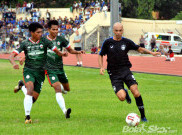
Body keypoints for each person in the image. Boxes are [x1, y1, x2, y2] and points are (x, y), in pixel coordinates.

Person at [13, 20, 85, 120]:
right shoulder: (42, 40)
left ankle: (22, 87)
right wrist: (22, 58)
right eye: (53, 29)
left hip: (59, 68)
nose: (56, 31)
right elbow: (33, 51)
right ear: (49, 29)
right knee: (54, 88)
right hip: (48, 69)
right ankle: (64, 111)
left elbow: (60, 50)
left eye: (57, 29)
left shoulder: (59, 39)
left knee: (65, 89)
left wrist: (72, 53)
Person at [98, 22, 161, 122]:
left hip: (125, 70)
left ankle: (143, 116)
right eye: (116, 31)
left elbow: (139, 49)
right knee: (122, 97)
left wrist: (151, 52)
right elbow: (101, 54)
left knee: (136, 92)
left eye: (120, 30)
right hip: (114, 74)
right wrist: (101, 67)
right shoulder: (107, 42)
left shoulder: (127, 42)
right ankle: (125, 93)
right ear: (113, 31)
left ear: (123, 30)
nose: (118, 33)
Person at [9, 22, 67, 124]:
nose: (40, 34)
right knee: (30, 89)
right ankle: (27, 117)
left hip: (40, 73)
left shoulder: (44, 41)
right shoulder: (25, 43)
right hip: (29, 70)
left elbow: (56, 50)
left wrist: (62, 53)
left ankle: (21, 85)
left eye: (41, 32)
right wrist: (14, 63)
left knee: (32, 100)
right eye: (38, 32)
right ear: (31, 32)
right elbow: (11, 56)